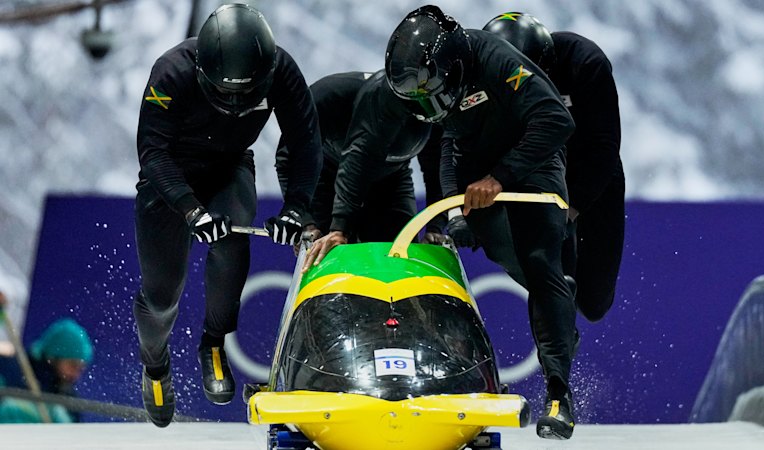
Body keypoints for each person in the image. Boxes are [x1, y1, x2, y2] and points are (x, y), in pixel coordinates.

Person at [384, 5, 578, 440]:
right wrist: (455, 211)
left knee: (540, 259)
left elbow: (556, 120)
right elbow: (450, 143)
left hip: (534, 160)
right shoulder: (434, 85)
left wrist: (500, 177)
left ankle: (558, 395)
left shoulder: (497, 61)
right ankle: (561, 308)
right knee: (508, 255)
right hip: (480, 167)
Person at [134, 3, 321, 427]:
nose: (236, 104)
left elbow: (307, 146)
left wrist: (295, 209)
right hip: (171, 177)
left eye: (246, 93)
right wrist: (191, 210)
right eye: (225, 93)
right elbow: (153, 153)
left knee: (231, 238)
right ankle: (156, 367)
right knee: (161, 297)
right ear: (203, 71)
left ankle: (213, 343)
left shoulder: (283, 70)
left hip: (229, 166)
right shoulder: (171, 73)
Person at [483, 12, 625, 323]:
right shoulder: (481, 71)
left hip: (591, 171)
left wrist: (572, 208)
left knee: (594, 301)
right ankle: (559, 356)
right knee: (554, 285)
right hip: (536, 172)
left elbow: (605, 147)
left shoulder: (585, 63)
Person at [300, 69, 443, 269]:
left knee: (400, 262)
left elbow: (436, 171)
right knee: (325, 254)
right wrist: (306, 221)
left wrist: (436, 226)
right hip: (326, 177)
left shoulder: (431, 110)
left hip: (391, 180)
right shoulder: (325, 99)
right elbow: (291, 158)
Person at [0, 313, 94, 423]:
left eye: (81, 368)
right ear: (53, 358)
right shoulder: (10, 374)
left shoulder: (69, 404)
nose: (76, 374)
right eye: (72, 365)